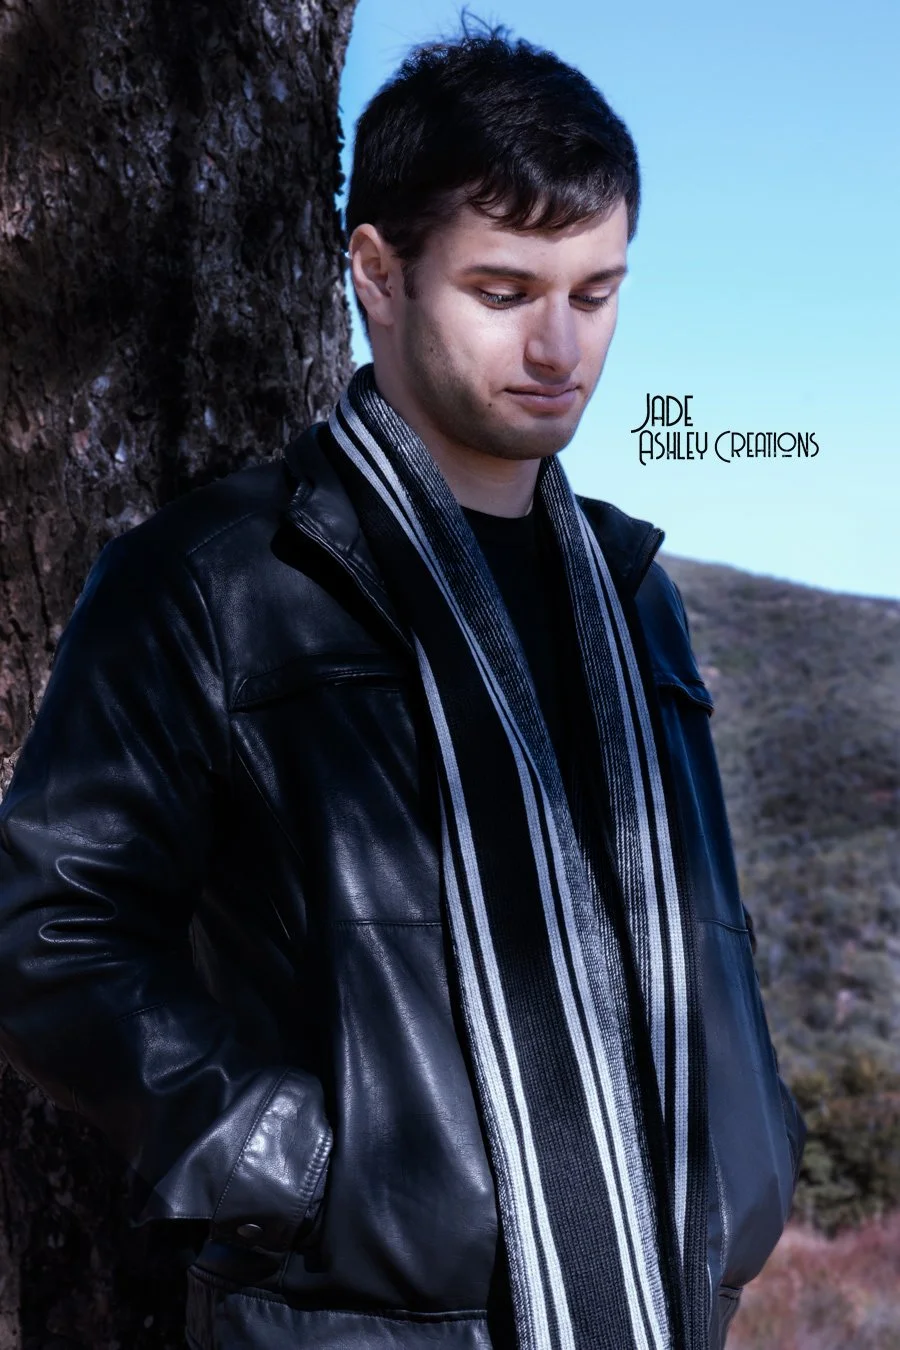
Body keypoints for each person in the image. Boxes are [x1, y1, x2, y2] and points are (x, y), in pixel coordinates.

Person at [0, 22, 805, 1350]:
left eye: (595, 293)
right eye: (504, 290)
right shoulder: (215, 581)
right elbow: (47, 930)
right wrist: (296, 1163)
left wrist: (753, 1143)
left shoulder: (635, 591)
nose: (562, 345)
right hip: (363, 1320)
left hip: (667, 1298)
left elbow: (698, 915)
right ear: (376, 273)